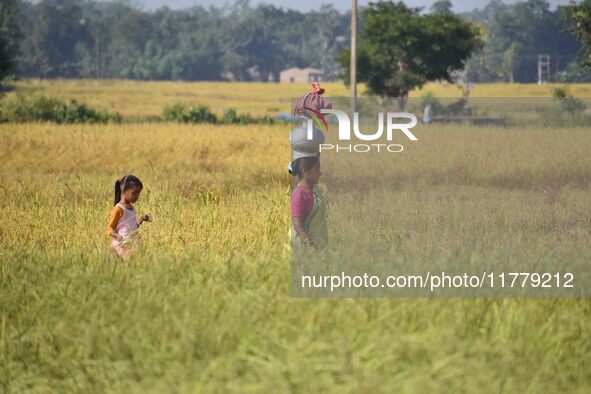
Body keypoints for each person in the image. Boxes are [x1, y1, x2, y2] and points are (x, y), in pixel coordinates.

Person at [290, 155, 328, 251]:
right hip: (304, 249)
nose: (320, 173)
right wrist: (310, 246)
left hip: (319, 246)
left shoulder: (316, 192)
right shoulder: (299, 195)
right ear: (305, 171)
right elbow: (297, 225)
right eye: (317, 169)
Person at [106, 175, 151, 256]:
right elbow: (110, 228)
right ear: (124, 191)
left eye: (138, 193)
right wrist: (117, 236)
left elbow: (132, 227)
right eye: (134, 193)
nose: (137, 196)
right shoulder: (118, 209)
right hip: (121, 246)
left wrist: (142, 218)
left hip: (131, 244)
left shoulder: (132, 208)